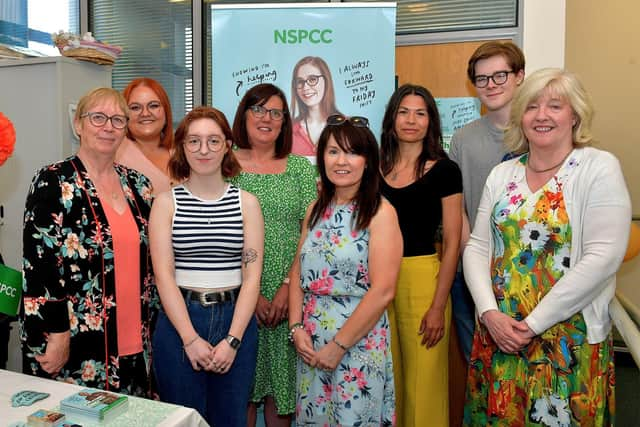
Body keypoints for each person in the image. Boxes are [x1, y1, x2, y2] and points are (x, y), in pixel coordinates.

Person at [463, 68, 631, 426]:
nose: (541, 115)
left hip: (568, 340)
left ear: (575, 115)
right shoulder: (502, 174)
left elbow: (603, 258)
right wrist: (489, 314)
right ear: (520, 117)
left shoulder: (598, 168)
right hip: (499, 336)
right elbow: (477, 247)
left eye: (555, 106)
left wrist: (532, 325)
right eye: (532, 106)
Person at [21, 87, 157, 396]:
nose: (108, 126)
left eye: (118, 120)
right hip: (74, 341)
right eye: (98, 117)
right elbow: (39, 266)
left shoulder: (139, 186)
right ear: (78, 125)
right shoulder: (53, 181)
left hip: (135, 337)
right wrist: (57, 334)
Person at [150, 106, 263, 426]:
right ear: (182, 146)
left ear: (227, 145)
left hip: (235, 321)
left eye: (213, 141)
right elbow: (164, 276)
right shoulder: (165, 203)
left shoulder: (247, 204)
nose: (203, 150)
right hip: (180, 322)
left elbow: (252, 277)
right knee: (182, 420)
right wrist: (189, 338)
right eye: (194, 141)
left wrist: (233, 341)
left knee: (231, 419)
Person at [289, 114, 402, 426]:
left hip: (358, 343)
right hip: (311, 344)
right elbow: (298, 270)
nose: (342, 161)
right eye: (333, 151)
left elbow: (383, 291)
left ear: (368, 161)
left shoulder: (380, 212)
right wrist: (296, 328)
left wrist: (338, 346)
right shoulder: (316, 208)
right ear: (322, 157)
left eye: (352, 152)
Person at [230, 83, 317, 426]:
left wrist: (285, 286)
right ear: (245, 115)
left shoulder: (300, 168)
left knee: (282, 396)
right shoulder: (224, 164)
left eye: (276, 112)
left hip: (289, 294)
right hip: (237, 294)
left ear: (284, 122)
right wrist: (248, 296)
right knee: (241, 391)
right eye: (259, 109)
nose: (267, 118)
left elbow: (308, 232)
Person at [379, 84, 463, 427]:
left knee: (424, 383)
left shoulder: (445, 170)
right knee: (388, 378)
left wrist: (438, 306)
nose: (411, 120)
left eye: (420, 113)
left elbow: (454, 241)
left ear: (431, 121)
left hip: (423, 281)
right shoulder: (375, 168)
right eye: (403, 112)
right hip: (378, 280)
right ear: (391, 118)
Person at [448, 41, 526, 362]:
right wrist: (473, 262)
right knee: (479, 368)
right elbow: (457, 208)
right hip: (472, 271)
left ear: (519, 76)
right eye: (482, 79)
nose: (491, 85)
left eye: (500, 76)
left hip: (527, 272)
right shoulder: (463, 139)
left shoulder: (538, 130)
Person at [116, 77, 174, 194]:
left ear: (166, 112)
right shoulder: (113, 154)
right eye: (135, 108)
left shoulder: (184, 150)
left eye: (153, 106)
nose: (145, 113)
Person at [290, 56, 341, 158]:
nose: (306, 87)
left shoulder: (347, 127)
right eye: (300, 81)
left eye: (312, 79)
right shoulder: (288, 131)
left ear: (326, 81)